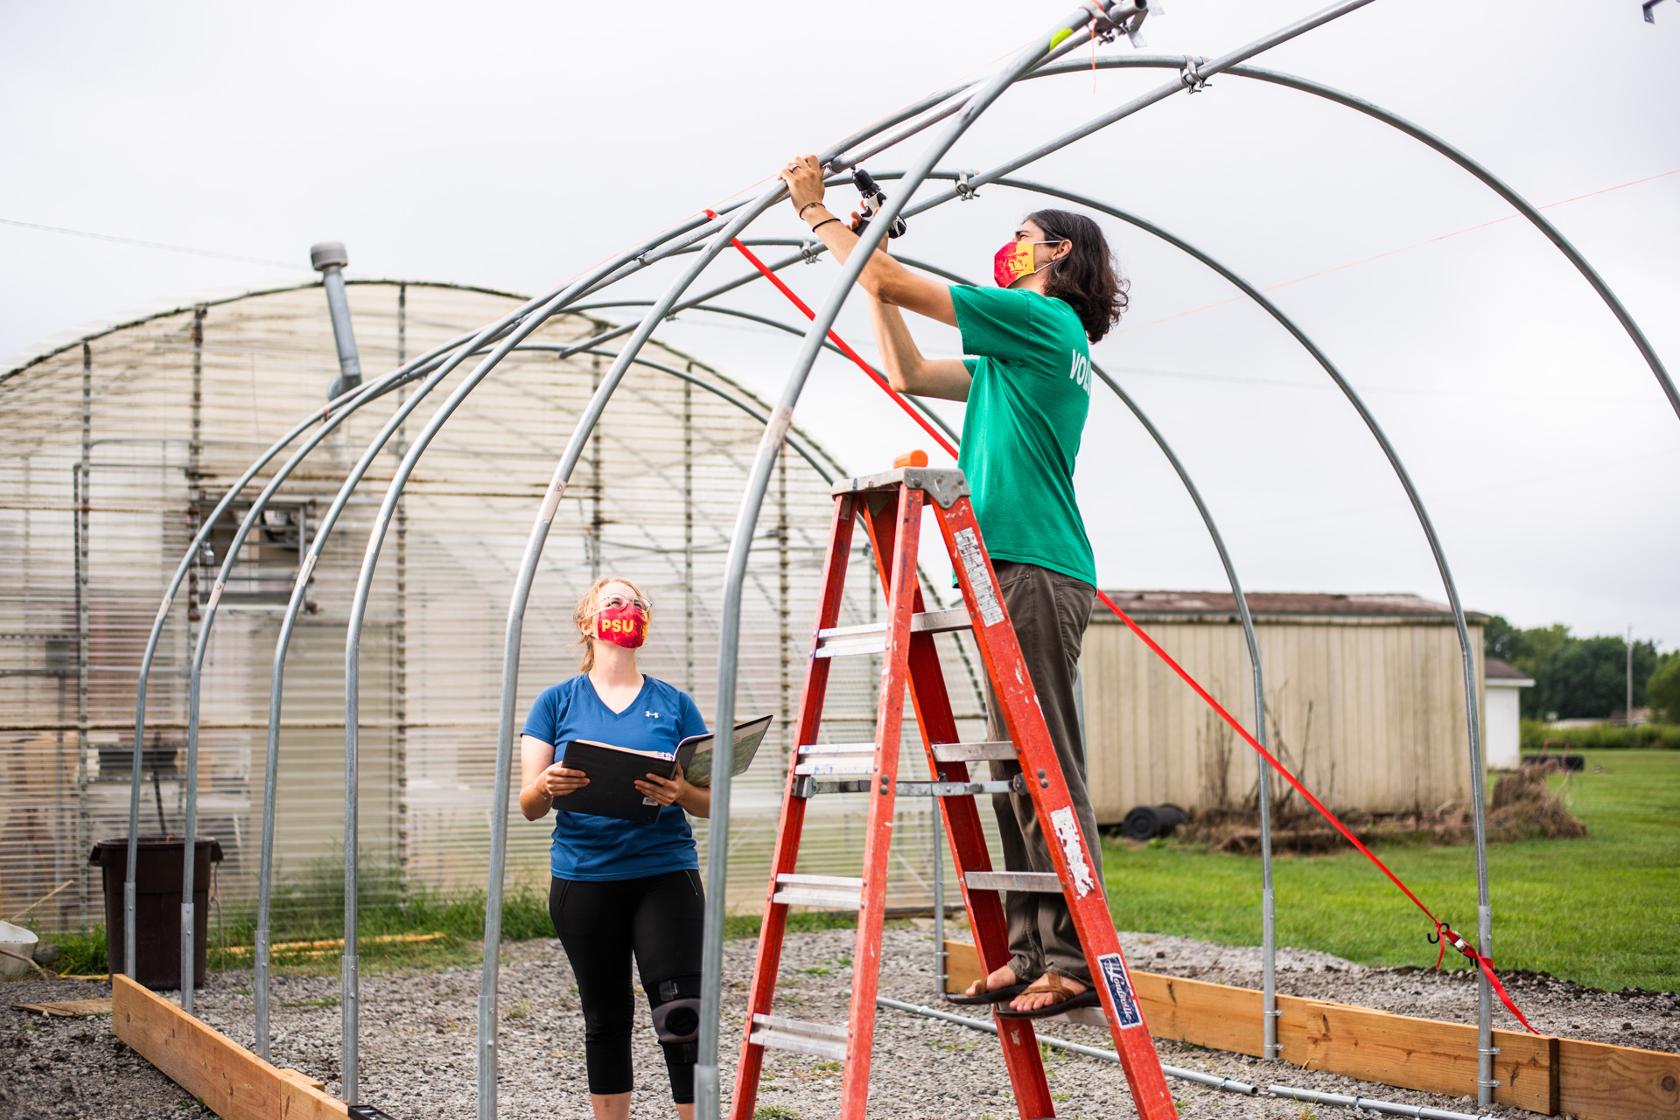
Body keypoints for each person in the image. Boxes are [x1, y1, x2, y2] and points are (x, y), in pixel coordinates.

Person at [776, 155, 1127, 1018]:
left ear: (1059, 257)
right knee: (1014, 765)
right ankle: (1028, 948)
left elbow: (894, 276)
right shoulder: (1017, 354)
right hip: (1011, 563)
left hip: (1036, 566)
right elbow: (907, 370)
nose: (1007, 253)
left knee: (1046, 765)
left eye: (1020, 241)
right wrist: (866, 263)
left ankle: (1076, 959)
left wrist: (819, 215)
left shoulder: (1042, 323)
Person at [520, 576, 711, 1120]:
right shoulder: (555, 702)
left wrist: (679, 791)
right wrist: (547, 787)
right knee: (605, 1017)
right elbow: (529, 804)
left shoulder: (674, 703)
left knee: (681, 1014)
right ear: (588, 623)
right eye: (613, 602)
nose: (626, 609)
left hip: (664, 873)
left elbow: (708, 801)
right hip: (584, 879)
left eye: (635, 603)